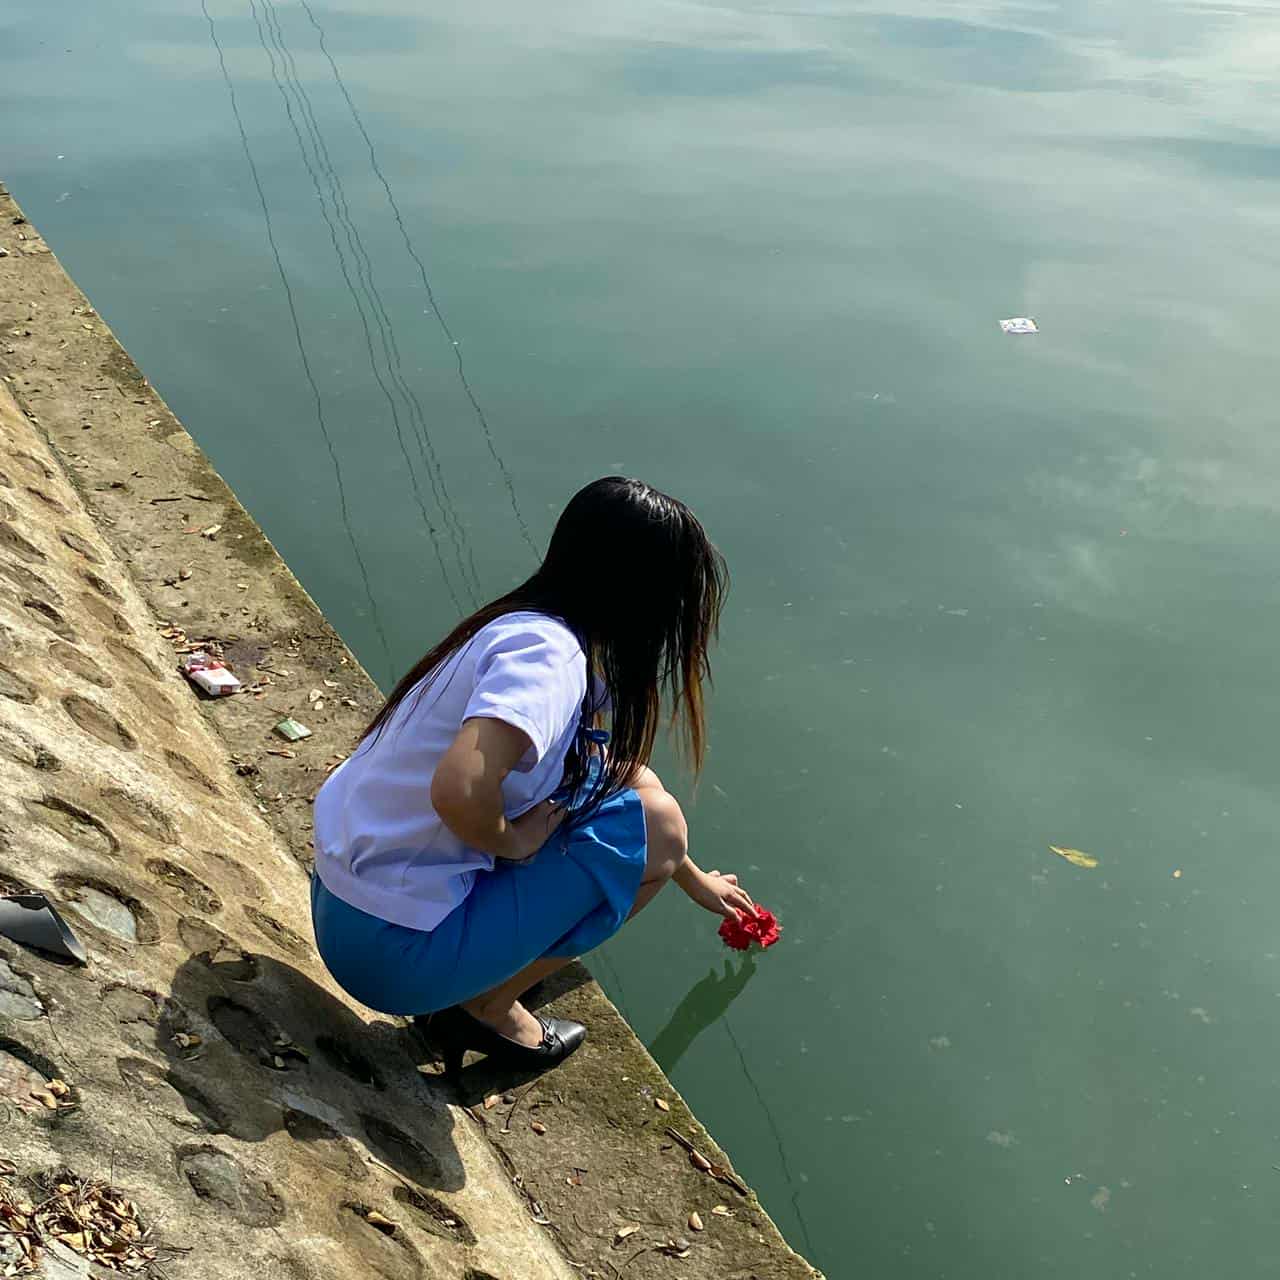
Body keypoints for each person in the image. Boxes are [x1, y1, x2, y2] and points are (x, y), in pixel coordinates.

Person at [310, 476, 757, 1078]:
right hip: (389, 955)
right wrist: (514, 840)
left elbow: (612, 771)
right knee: (660, 829)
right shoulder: (551, 664)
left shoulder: (526, 629)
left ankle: (477, 977)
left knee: (650, 806)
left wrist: (693, 878)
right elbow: (460, 789)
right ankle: (485, 1008)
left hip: (346, 900)